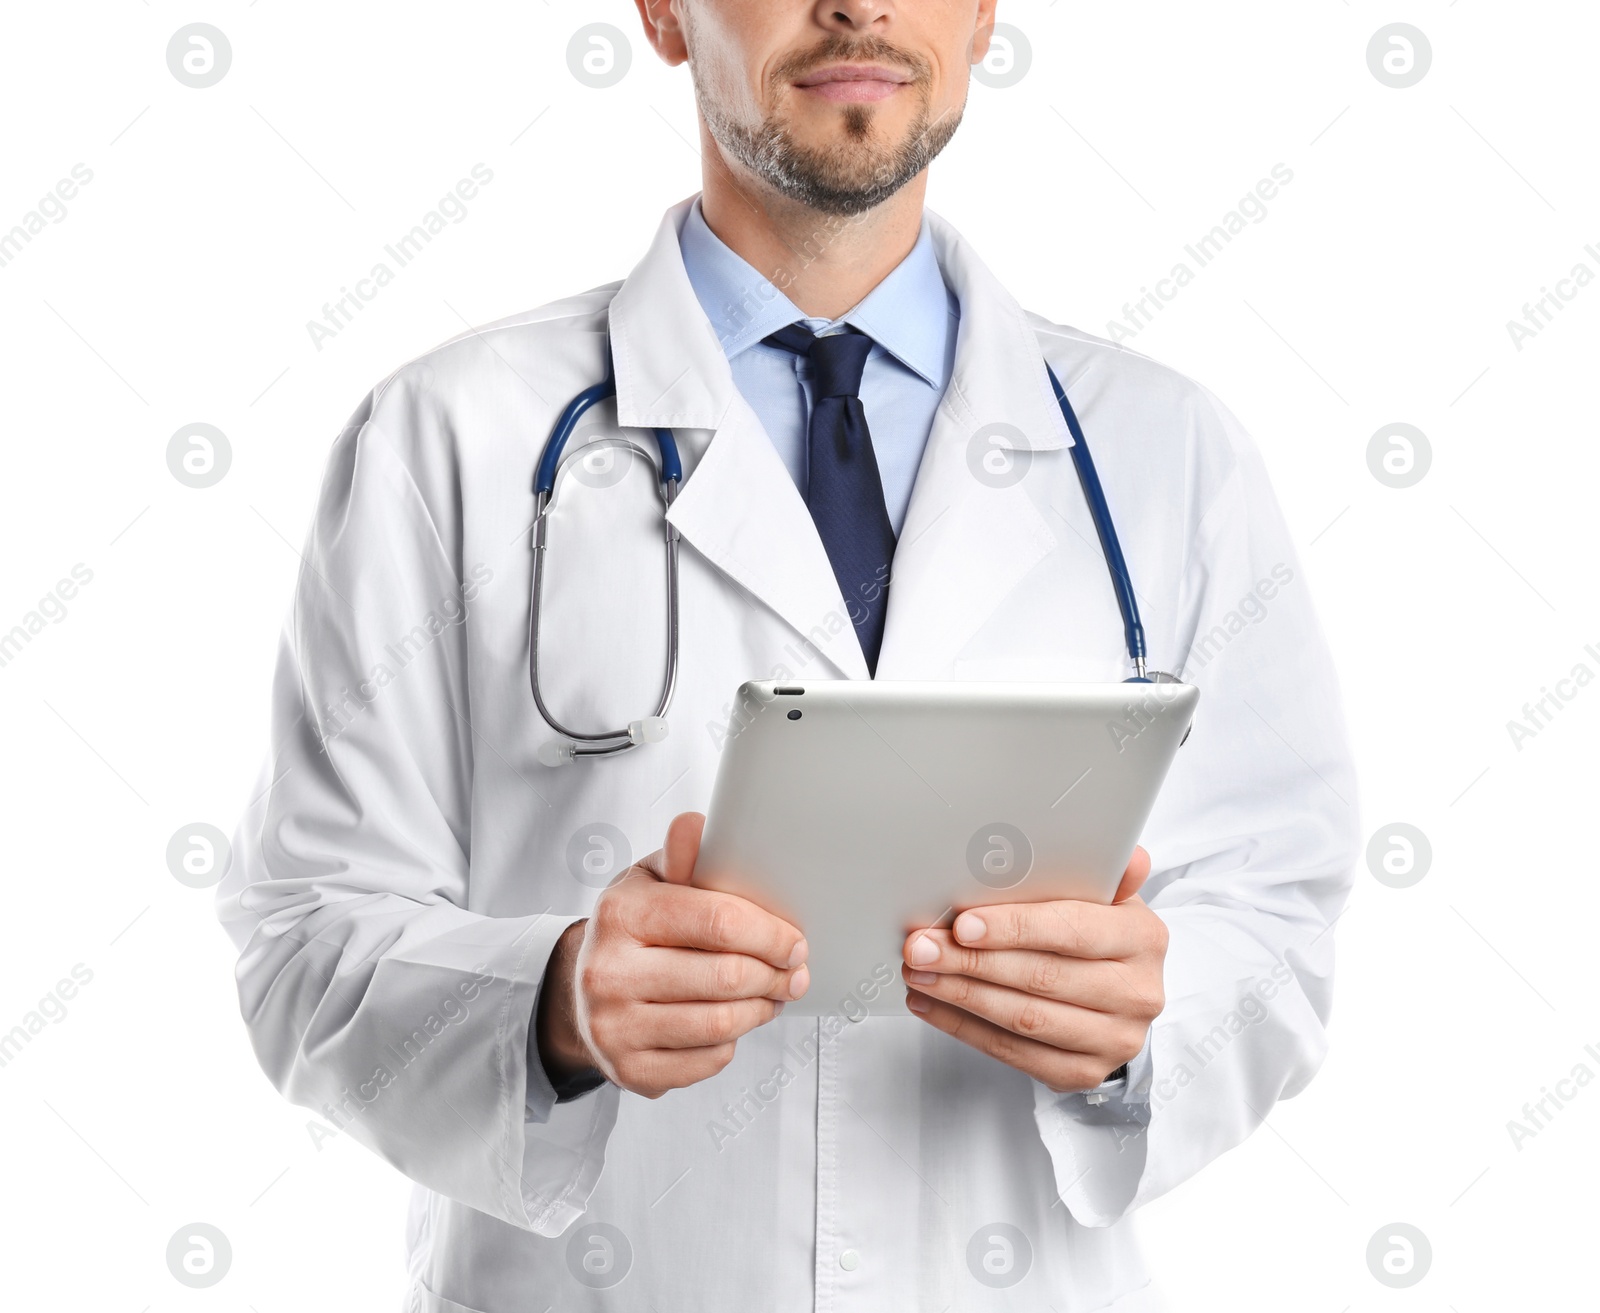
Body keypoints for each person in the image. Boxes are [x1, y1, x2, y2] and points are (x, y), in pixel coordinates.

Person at [217, 1, 1359, 1309]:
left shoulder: (1167, 454)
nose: (857, 6)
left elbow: (1277, 911)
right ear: (659, 13)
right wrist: (553, 1003)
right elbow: (302, 936)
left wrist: (1139, 1029)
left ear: (985, 15)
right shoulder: (449, 438)